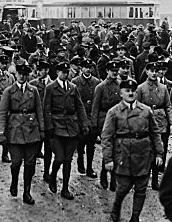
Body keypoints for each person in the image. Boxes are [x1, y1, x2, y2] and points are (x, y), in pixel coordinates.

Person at [102, 79, 164, 222]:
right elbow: (107, 137)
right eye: (126, 90)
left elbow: (155, 132)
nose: (130, 93)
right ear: (121, 93)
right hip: (124, 155)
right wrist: (108, 159)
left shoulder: (146, 110)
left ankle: (135, 219)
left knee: (141, 189)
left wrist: (159, 153)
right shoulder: (114, 112)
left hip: (143, 154)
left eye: (133, 91)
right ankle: (117, 206)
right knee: (123, 187)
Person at [0, 63, 44, 205]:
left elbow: (39, 111)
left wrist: (42, 130)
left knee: (30, 163)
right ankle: (14, 181)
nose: (23, 77)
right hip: (15, 130)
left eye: (25, 74)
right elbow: (3, 113)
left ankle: (27, 192)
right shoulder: (9, 91)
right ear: (16, 75)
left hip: (31, 130)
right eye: (20, 74)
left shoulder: (33, 90)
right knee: (16, 162)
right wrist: (1, 132)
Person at [43, 61, 89, 200]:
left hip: (71, 126)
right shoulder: (50, 88)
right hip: (57, 127)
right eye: (63, 72)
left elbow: (79, 107)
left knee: (68, 160)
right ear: (57, 72)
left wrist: (84, 124)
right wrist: (49, 127)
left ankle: (65, 188)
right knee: (59, 158)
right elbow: (46, 109)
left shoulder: (73, 87)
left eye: (67, 72)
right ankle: (53, 176)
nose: (65, 74)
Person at [135, 61, 172, 190]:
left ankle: (155, 180)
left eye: (155, 71)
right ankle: (143, 178)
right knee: (146, 150)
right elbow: (136, 107)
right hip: (146, 121)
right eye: (151, 71)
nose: (153, 73)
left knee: (160, 150)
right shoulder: (141, 88)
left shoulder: (163, 88)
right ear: (146, 72)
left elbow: (168, 106)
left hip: (161, 121)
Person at [91, 60, 121, 191]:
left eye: (116, 71)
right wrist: (94, 124)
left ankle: (113, 177)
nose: (114, 73)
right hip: (104, 121)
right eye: (112, 71)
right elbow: (95, 107)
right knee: (107, 149)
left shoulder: (121, 85)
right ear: (107, 71)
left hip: (118, 121)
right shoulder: (100, 87)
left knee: (117, 149)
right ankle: (104, 174)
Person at [71, 58, 100, 178]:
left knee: (91, 143)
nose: (88, 69)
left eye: (90, 67)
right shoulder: (75, 81)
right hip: (79, 116)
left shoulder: (96, 82)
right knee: (81, 141)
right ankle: (80, 161)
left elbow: (97, 101)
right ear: (81, 68)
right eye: (85, 67)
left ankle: (89, 167)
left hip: (92, 115)